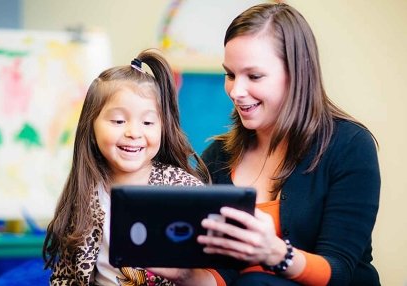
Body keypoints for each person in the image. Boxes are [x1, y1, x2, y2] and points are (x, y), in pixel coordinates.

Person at [152, 2, 381, 286]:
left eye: (254, 76)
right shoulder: (218, 157)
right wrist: (184, 276)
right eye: (231, 74)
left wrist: (274, 252)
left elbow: (340, 271)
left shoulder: (349, 146)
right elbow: (223, 274)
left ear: (297, 74)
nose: (236, 91)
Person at [42, 48, 210, 285]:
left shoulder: (184, 190)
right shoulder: (85, 192)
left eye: (148, 122)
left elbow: (208, 272)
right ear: (91, 127)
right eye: (119, 121)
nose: (133, 133)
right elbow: (65, 275)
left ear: (163, 127)